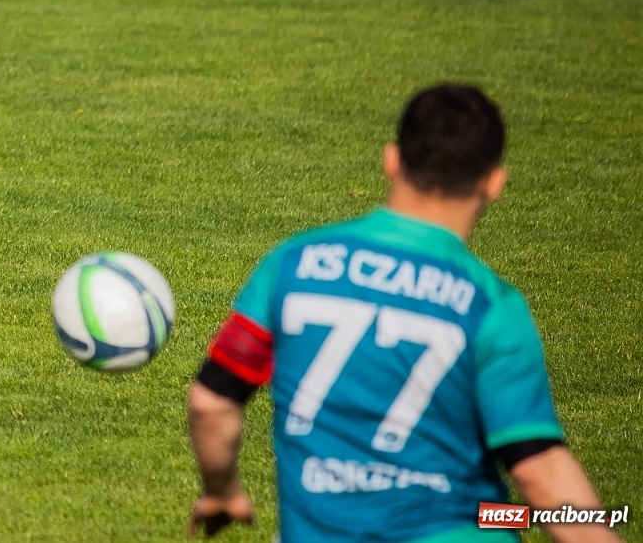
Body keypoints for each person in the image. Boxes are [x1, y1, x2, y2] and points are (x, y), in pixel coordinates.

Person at [187, 84, 622, 543]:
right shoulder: (491, 307)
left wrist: (222, 490)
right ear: (495, 182)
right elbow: (539, 470)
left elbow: (212, 401)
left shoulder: (292, 265)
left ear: (391, 160)